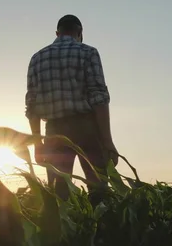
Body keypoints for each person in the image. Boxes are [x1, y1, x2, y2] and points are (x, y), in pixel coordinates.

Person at [25, 14, 118, 203]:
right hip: (86, 129)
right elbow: (99, 97)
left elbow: (32, 105)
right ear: (80, 32)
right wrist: (108, 142)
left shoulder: (37, 58)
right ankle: (101, 230)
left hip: (54, 132)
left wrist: (37, 144)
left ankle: (67, 232)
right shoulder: (88, 53)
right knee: (99, 192)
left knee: (60, 197)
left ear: (57, 33)